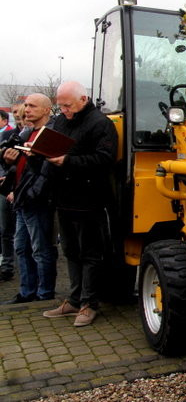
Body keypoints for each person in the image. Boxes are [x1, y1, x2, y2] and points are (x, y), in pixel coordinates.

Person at [43, 81, 117, 327]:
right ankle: (74, 300)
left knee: (90, 253)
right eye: (60, 106)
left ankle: (89, 303)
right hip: (64, 198)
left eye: (67, 105)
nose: (63, 110)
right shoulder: (63, 121)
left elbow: (105, 159)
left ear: (83, 99)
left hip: (89, 199)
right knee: (71, 252)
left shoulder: (100, 123)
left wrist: (67, 162)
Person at [1, 94, 58, 303]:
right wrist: (7, 160)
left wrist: (33, 194)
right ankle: (27, 292)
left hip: (36, 200)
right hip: (23, 198)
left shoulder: (50, 134)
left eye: (32, 106)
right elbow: (19, 164)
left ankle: (44, 294)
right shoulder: (26, 132)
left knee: (40, 249)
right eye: (26, 105)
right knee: (22, 248)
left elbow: (47, 171)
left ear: (46, 110)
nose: (27, 109)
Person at [0, 103, 26, 281]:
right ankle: (7, 266)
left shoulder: (33, 136)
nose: (17, 115)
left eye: (20, 113)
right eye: (15, 112)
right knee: (5, 230)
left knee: (22, 235)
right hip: (7, 188)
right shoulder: (8, 135)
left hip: (23, 191)